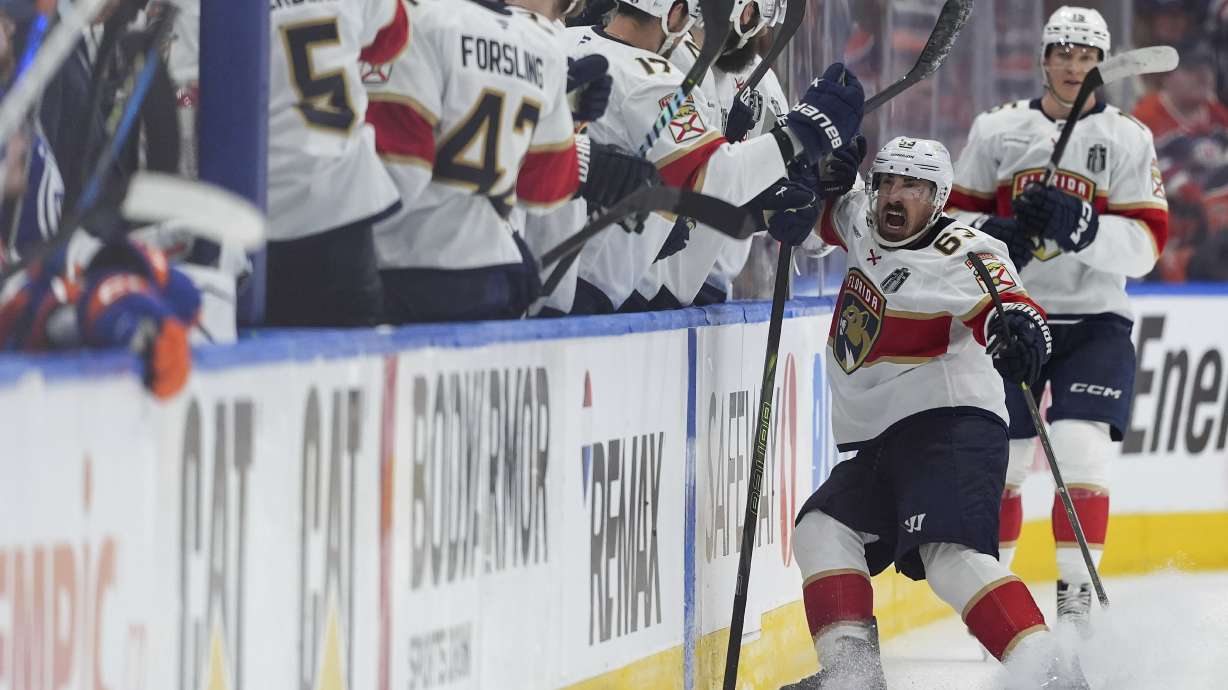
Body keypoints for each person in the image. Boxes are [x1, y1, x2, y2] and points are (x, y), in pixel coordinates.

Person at [783, 136, 1085, 689]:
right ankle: (852, 678)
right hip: (882, 440)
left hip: (951, 426)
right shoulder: (861, 219)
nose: (894, 197)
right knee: (821, 530)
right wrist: (813, 177)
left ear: (939, 196)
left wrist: (1022, 336)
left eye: (913, 187)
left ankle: (1051, 676)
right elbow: (809, 216)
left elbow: (1015, 311)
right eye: (887, 183)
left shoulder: (967, 252)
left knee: (947, 555)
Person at [946, 6, 1170, 630]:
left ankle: (1075, 609)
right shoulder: (996, 130)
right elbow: (952, 221)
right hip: (1012, 315)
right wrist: (995, 233)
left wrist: (1084, 228)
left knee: (1080, 454)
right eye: (1063, 53)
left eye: (1087, 55)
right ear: (1044, 58)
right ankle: (1002, 608)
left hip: (1095, 320)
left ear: (1100, 64)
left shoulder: (1129, 137)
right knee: (1007, 464)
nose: (1074, 66)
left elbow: (1148, 244)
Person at [541, 0, 864, 314]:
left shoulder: (556, 40)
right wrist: (802, 134)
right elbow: (711, 178)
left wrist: (800, 190)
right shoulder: (655, 77)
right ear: (676, 12)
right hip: (594, 285)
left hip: (542, 266)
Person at [265, 0, 409, 326]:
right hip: (341, 208)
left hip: (256, 211)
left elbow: (185, 96)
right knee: (357, 364)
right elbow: (392, 38)